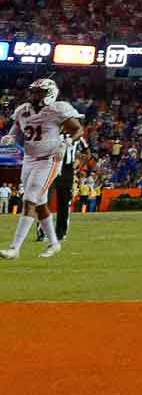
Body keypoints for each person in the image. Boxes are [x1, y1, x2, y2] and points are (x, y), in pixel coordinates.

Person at [2, 78, 81, 260]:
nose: (35, 96)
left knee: (30, 198)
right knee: (39, 204)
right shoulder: (23, 110)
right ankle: (54, 243)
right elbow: (15, 132)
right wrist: (10, 138)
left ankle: (15, 248)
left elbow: (78, 130)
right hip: (29, 159)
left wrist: (67, 142)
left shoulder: (58, 109)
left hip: (49, 159)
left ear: (50, 94)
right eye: (34, 92)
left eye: (40, 92)